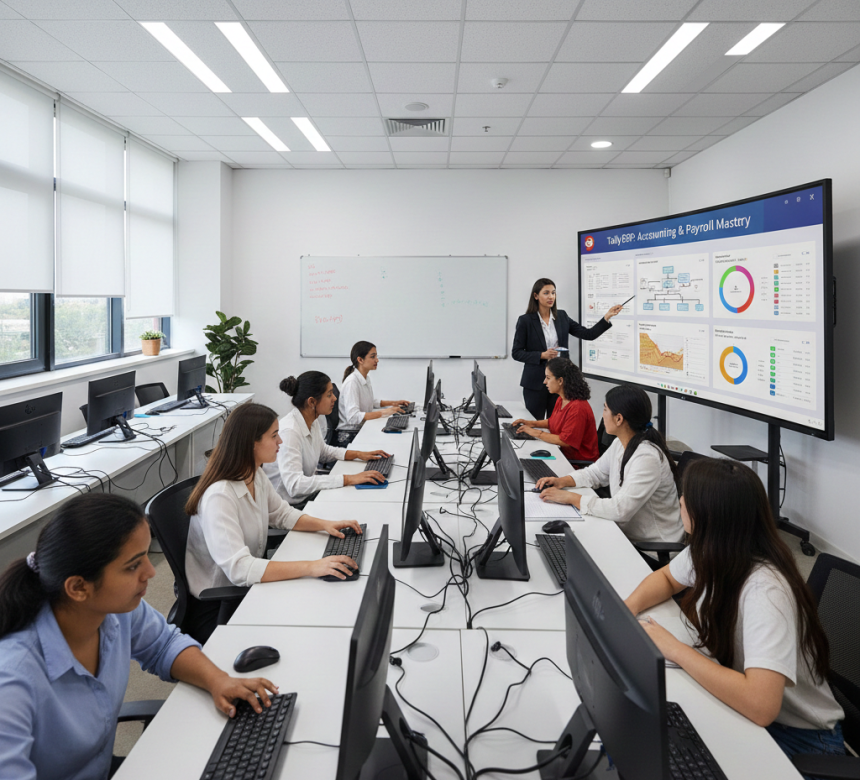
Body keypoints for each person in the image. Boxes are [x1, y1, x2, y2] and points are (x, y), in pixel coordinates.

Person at [0, 493, 278, 780]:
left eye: (147, 556)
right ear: (78, 587)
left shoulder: (113, 610)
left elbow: (164, 644)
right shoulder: (13, 680)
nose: (149, 572)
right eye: (133, 566)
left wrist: (218, 680)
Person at [625, 458, 845, 769]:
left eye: (687, 496)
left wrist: (676, 650)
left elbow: (760, 705)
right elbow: (666, 578)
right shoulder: (714, 549)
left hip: (802, 741)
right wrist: (627, 608)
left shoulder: (766, 591)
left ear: (709, 516)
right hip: (752, 710)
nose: (681, 500)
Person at [185, 403, 363, 641]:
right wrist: (312, 566)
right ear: (251, 443)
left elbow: (282, 514)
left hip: (250, 584)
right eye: (274, 435)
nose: (280, 442)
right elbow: (240, 569)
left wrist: (325, 524)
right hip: (221, 603)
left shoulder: (253, 472)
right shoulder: (220, 496)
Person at [536, 384, 683, 545]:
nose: (603, 415)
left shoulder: (647, 457)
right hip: (625, 532)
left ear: (619, 418)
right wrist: (562, 481)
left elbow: (620, 509)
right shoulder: (621, 443)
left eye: (605, 409)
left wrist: (571, 497)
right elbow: (596, 473)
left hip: (654, 545)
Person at [267, 371, 392, 505]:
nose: (335, 398)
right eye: (329, 394)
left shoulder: (311, 420)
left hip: (306, 496)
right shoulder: (290, 432)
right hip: (290, 505)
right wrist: (348, 479)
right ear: (312, 402)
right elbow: (295, 486)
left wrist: (358, 454)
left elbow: (323, 451)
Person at [512, 278, 622, 420]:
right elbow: (517, 353)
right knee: (534, 423)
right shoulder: (525, 321)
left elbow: (588, 334)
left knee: (557, 424)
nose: (551, 296)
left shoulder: (562, 316)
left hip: (559, 382)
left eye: (553, 293)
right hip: (535, 383)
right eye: (546, 293)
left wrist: (606, 317)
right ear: (536, 296)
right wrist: (542, 355)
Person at [510, 357, 599, 465]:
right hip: (561, 454)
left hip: (576, 464)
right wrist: (530, 423)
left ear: (560, 380)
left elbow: (564, 441)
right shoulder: (562, 398)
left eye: (548, 377)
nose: (544, 382)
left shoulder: (578, 408)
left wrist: (535, 432)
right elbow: (553, 422)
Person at [338, 340, 409, 428]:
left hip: (362, 428)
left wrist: (394, 403)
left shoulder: (365, 378)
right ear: (360, 360)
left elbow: (370, 402)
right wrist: (385, 412)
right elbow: (353, 417)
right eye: (372, 357)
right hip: (350, 433)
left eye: (376, 356)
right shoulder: (352, 382)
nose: (377, 360)